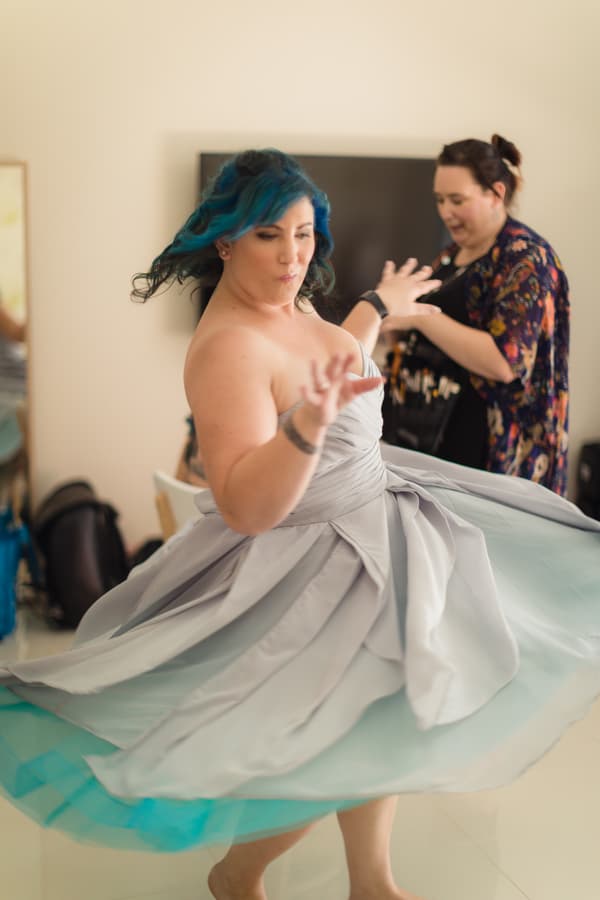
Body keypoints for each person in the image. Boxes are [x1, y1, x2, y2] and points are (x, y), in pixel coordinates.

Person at [0, 150, 599, 900]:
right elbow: (249, 506)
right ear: (224, 241)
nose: (293, 257)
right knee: (324, 748)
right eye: (269, 237)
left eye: (305, 234)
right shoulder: (227, 350)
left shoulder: (287, 306)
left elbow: (329, 358)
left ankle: (372, 882)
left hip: (380, 523)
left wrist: (377, 308)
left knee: (384, 715)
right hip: (314, 561)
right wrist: (306, 429)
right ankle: (239, 875)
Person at [380, 135, 570, 495]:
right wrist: (394, 322)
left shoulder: (525, 259)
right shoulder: (451, 256)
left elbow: (504, 362)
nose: (445, 211)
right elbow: (435, 338)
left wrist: (419, 316)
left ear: (495, 193)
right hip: (427, 436)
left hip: (483, 451)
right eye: (439, 200)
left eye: (457, 200)